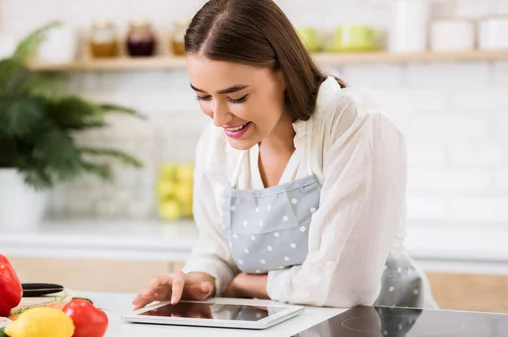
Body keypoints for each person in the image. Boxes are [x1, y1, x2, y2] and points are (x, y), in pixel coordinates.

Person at [133, 0, 437, 310]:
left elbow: (345, 286)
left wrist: (250, 284)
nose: (219, 118)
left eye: (236, 97)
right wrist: (198, 280)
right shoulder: (217, 143)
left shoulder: (355, 123)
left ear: (284, 74)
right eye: (203, 96)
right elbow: (217, 250)